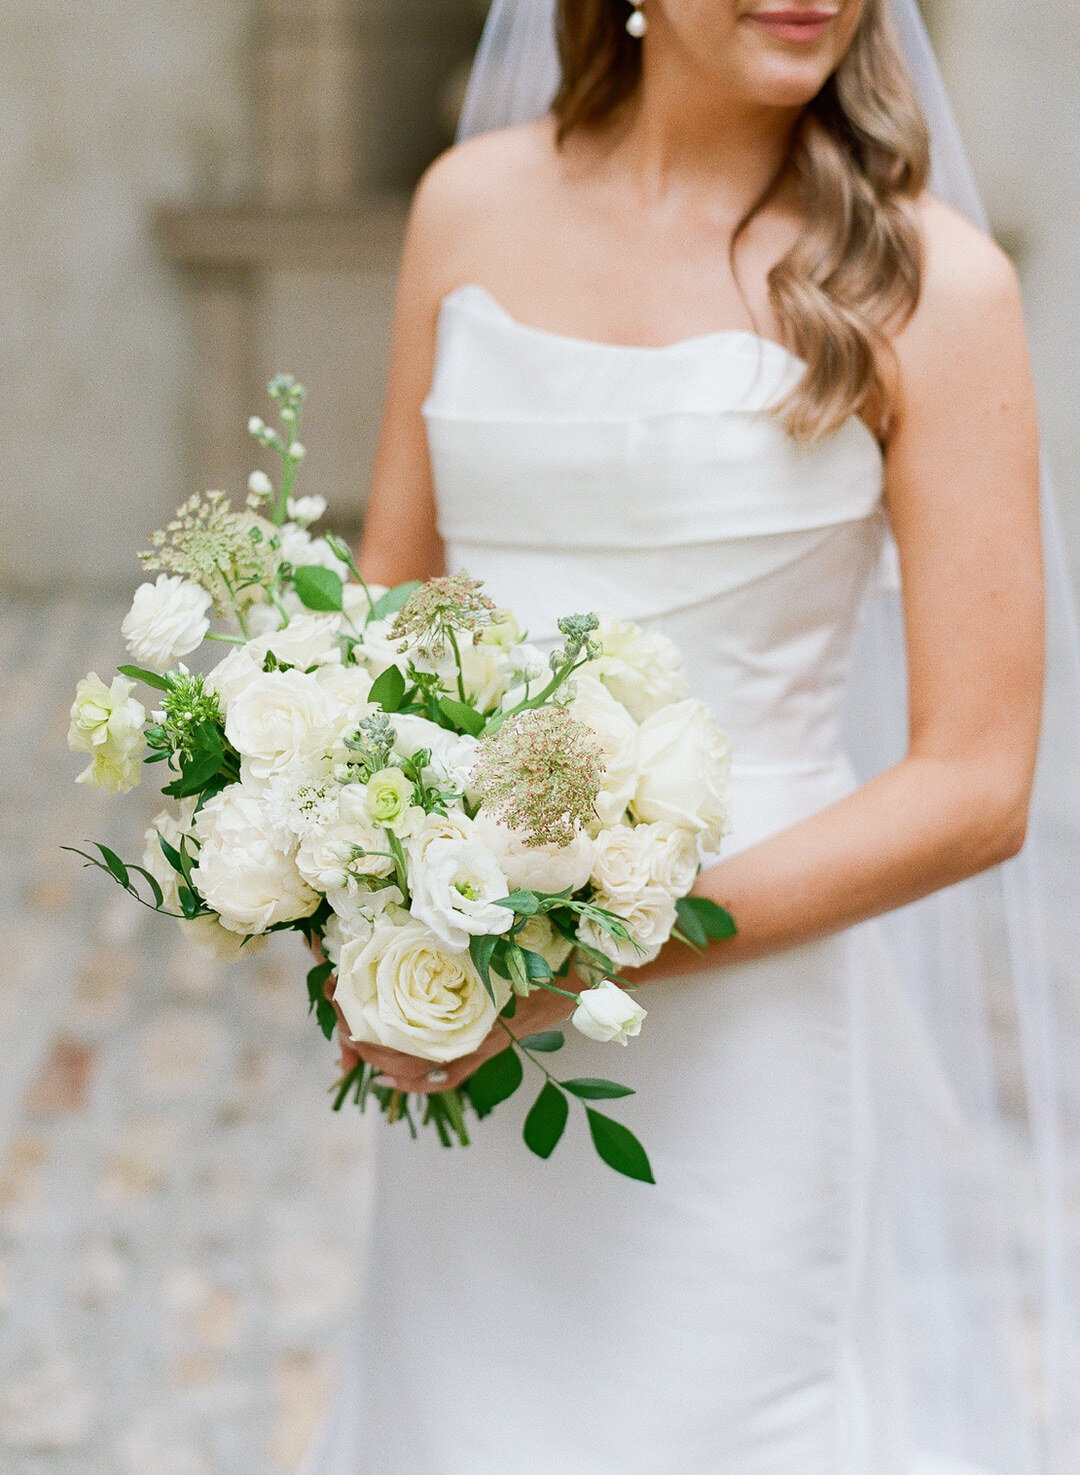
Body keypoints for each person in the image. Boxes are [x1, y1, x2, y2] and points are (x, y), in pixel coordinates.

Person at [301, 2, 1065, 1470]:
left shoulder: (932, 286)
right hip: (482, 1034)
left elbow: (979, 782)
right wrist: (355, 883)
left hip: (743, 1027)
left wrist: (588, 949)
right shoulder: (469, 205)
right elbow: (385, 613)